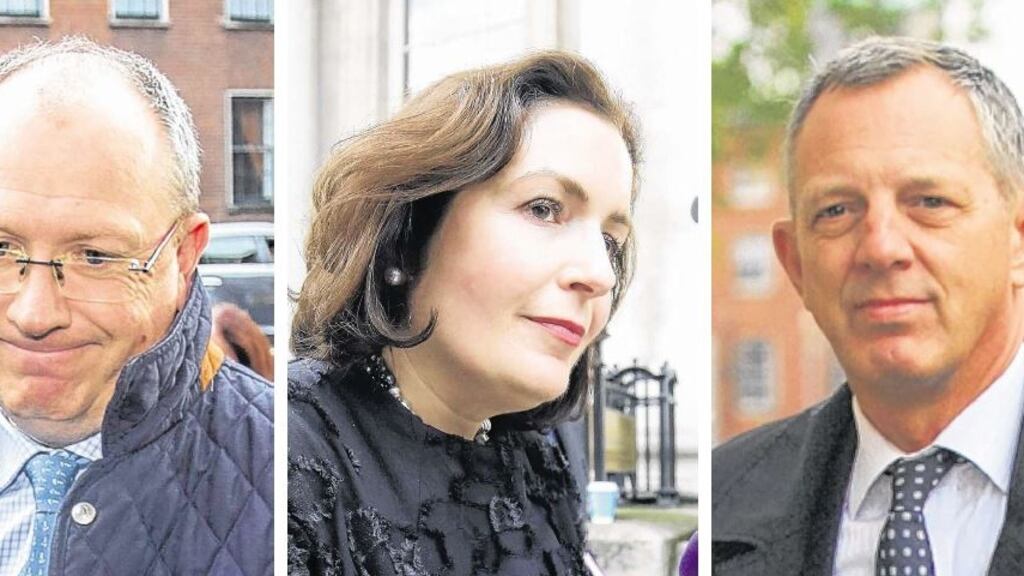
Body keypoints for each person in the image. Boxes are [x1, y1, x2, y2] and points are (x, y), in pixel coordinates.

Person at [288, 51, 640, 575]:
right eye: (544, 208)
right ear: (408, 233)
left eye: (610, 241)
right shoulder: (290, 453)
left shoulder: (544, 462)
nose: (600, 274)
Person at [712, 36, 1024, 575]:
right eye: (836, 211)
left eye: (929, 202)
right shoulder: (723, 502)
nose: (881, 248)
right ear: (796, 265)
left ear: (1018, 239)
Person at [0, 38, 273, 575]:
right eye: (0, 248)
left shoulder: (286, 477)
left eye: (95, 257)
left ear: (184, 254)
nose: (34, 315)